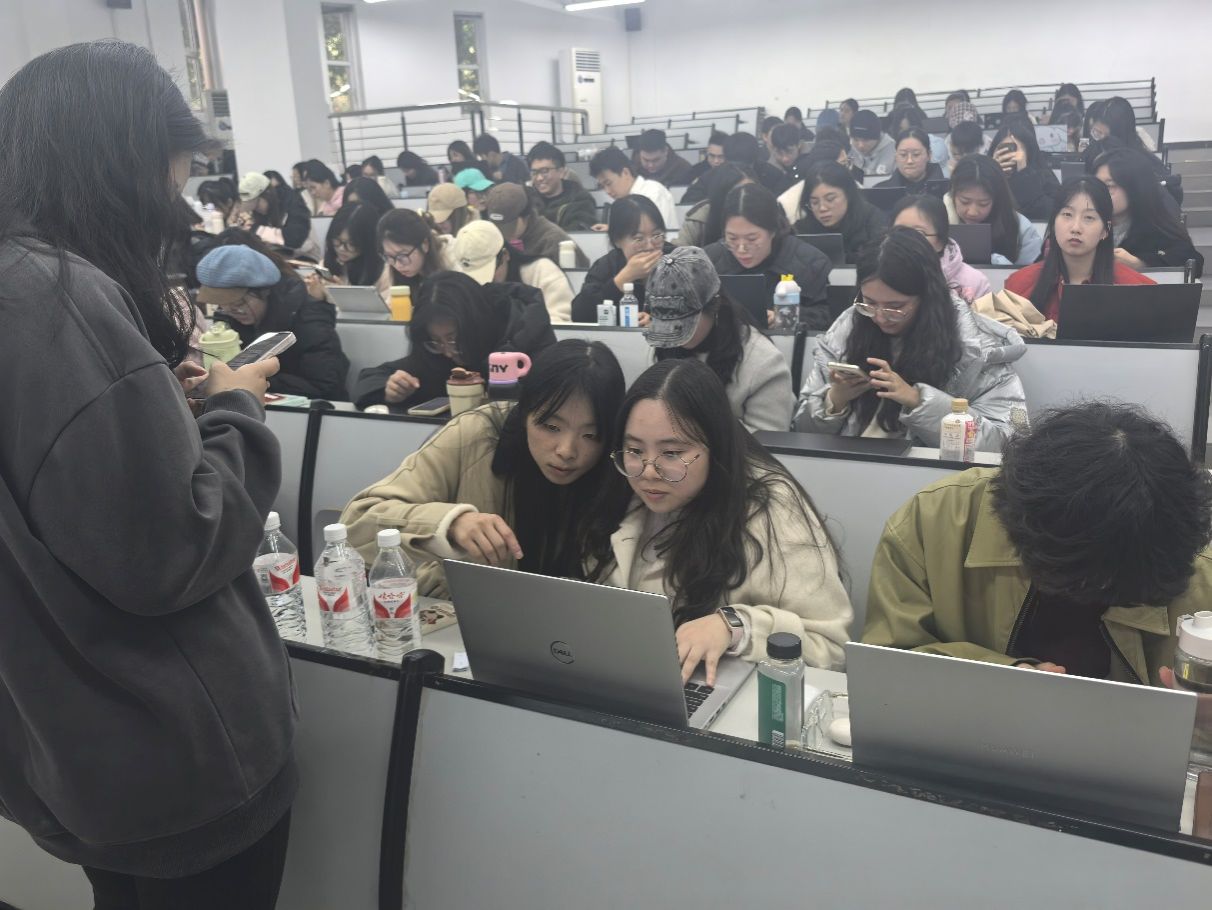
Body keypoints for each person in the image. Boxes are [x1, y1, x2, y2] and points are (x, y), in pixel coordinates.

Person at [0, 40, 295, 906]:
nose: (172, 208)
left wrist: (156, 409)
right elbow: (170, 550)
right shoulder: (59, 300)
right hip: (174, 753)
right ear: (119, 168)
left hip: (66, 746)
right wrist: (236, 408)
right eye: (170, 183)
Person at [863, 402, 1212, 686]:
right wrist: (1004, 676)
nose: (1091, 594)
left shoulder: (1191, 559)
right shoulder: (938, 519)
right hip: (966, 735)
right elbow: (887, 661)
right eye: (1078, 582)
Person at [580, 358, 852, 680]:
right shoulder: (623, 490)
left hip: (726, 692)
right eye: (635, 450)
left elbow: (831, 647)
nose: (648, 471)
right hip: (632, 677)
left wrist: (736, 627)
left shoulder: (772, 509)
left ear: (716, 447)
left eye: (672, 453)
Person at [342, 339, 625, 590]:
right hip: (465, 619)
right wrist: (450, 524)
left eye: (591, 435)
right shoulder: (476, 434)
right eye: (551, 427)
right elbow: (355, 525)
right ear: (524, 412)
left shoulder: (626, 468)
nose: (566, 451)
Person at [795, 228, 1025, 450]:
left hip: (935, 474)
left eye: (895, 307)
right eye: (869, 303)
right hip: (848, 468)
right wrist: (835, 400)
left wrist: (918, 400)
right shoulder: (846, 332)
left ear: (927, 297)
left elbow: (1009, 442)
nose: (879, 317)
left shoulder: (976, 348)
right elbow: (801, 431)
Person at [352, 270, 555, 412]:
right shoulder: (435, 353)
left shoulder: (527, 335)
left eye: (453, 339)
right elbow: (370, 378)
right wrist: (389, 388)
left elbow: (553, 399)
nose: (448, 352)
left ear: (475, 325)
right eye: (436, 341)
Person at [646, 246, 796, 433]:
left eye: (685, 322)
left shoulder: (763, 361)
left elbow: (769, 441)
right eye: (665, 323)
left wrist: (695, 428)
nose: (674, 334)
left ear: (714, 306)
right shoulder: (662, 345)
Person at [199, 241, 350, 400]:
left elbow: (325, 386)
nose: (231, 312)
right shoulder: (227, 321)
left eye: (239, 304)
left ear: (265, 291)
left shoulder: (310, 320)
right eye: (222, 305)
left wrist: (256, 378)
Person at [1004, 177, 1156, 323]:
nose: (1075, 228)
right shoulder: (1018, 285)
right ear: (1054, 223)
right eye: (1067, 214)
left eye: (1089, 218)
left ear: (1106, 230)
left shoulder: (1140, 290)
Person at [706, 183, 832, 330]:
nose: (741, 249)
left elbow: (828, 316)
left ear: (773, 231)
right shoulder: (707, 262)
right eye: (732, 238)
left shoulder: (810, 263)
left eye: (752, 239)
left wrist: (787, 315)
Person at [1095, 147, 1204, 278]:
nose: (1099, 192)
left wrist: (1140, 264)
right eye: (1097, 185)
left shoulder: (1154, 223)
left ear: (1133, 187)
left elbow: (1193, 262)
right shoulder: (1086, 221)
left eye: (1109, 186)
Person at [572, 195, 675, 324]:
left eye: (656, 235)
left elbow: (694, 313)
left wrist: (658, 322)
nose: (650, 246)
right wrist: (623, 278)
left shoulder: (678, 259)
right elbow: (580, 315)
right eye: (639, 238)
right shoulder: (606, 265)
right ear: (617, 240)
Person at [451, 219, 573, 323]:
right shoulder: (460, 282)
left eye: (489, 270)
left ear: (505, 255)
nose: (487, 281)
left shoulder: (541, 272)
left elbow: (561, 322)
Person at [780, 161, 889, 265]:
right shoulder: (802, 230)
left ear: (848, 195)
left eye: (830, 199)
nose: (822, 208)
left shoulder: (873, 221)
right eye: (814, 202)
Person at [891, 194, 990, 304]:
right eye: (900, 231)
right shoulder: (879, 274)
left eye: (919, 233)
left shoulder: (976, 282)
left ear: (940, 240)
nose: (907, 239)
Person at [945, 155, 1043, 266]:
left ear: (997, 200)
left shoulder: (1021, 228)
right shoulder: (937, 222)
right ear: (952, 195)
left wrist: (999, 265)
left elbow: (1033, 272)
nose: (972, 212)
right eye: (964, 202)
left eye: (983, 204)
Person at [483, 182, 588, 267]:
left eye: (508, 227)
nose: (502, 235)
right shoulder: (490, 236)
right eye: (497, 226)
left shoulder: (553, 242)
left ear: (526, 216)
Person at [310, 202, 387, 301]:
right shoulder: (325, 266)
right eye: (337, 240)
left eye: (351, 244)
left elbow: (387, 308)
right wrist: (316, 298)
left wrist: (346, 298)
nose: (341, 248)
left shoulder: (383, 273)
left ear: (368, 242)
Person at [988, 119, 1061, 221]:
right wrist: (992, 171)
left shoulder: (1043, 175)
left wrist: (1024, 172)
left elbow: (1048, 212)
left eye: (1014, 149)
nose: (1009, 154)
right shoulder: (985, 175)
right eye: (1003, 149)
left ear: (1028, 151)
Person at [589, 146, 679, 228]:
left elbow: (657, 234)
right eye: (602, 186)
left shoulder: (654, 193)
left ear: (625, 173)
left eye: (608, 183)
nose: (607, 191)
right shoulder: (621, 203)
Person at [236, 171, 314, 256]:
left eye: (257, 205)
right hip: (279, 256)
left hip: (306, 256)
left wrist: (256, 229)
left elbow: (295, 239)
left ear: (267, 194)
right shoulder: (259, 213)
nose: (258, 211)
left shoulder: (292, 202)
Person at [526, 141, 598, 232]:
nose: (539, 178)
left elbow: (578, 231)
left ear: (561, 172)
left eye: (545, 171)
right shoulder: (527, 200)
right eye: (534, 172)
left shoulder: (580, 199)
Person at [676, 163, 752, 248]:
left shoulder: (761, 211)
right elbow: (678, 250)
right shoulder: (702, 215)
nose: (744, 195)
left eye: (750, 190)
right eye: (737, 193)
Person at [378, 208, 450, 295]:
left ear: (424, 245)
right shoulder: (391, 267)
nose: (398, 265)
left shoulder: (451, 266)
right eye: (389, 256)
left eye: (402, 255)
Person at [722, 131, 793, 197]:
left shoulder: (774, 177)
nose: (741, 172)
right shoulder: (718, 176)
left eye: (746, 168)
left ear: (754, 160)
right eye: (734, 167)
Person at [875, 129, 944, 192]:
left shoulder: (946, 189)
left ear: (929, 155)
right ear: (896, 156)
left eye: (916, 154)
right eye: (903, 155)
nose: (909, 161)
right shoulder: (880, 191)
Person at [847, 110, 895, 178]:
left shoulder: (893, 151)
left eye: (866, 140)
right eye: (856, 140)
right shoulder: (851, 148)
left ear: (877, 138)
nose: (860, 145)